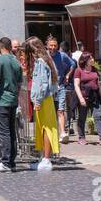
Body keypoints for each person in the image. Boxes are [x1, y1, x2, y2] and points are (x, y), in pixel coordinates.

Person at [26, 37, 59, 169]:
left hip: (43, 99)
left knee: (45, 128)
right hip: (48, 98)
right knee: (46, 128)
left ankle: (45, 159)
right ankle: (44, 158)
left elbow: (42, 84)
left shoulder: (40, 62)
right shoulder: (47, 60)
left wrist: (37, 100)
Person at [0, 37, 22, 173]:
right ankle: (12, 162)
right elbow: (20, 83)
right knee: (11, 132)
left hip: (2, 100)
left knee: (4, 132)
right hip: (13, 100)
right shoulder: (16, 61)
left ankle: (6, 162)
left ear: (0, 46)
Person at [71, 52, 101, 146]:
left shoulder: (94, 69)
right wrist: (81, 98)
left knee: (98, 115)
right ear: (85, 60)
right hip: (84, 96)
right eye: (90, 58)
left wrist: (100, 95)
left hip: (95, 96)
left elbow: (97, 83)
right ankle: (81, 137)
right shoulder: (79, 70)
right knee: (82, 117)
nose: (92, 59)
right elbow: (76, 85)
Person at [46, 35, 76, 144]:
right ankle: (52, 133)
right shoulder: (44, 56)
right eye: (51, 46)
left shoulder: (62, 55)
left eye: (55, 45)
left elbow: (73, 64)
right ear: (47, 46)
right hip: (48, 88)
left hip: (60, 87)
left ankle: (63, 132)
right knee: (50, 111)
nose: (53, 47)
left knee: (61, 110)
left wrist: (68, 75)